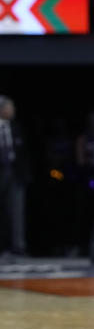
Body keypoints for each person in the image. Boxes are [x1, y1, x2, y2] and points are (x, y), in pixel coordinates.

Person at [0, 96, 28, 256]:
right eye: (11, 107)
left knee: (17, 212)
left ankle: (18, 247)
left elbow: (25, 154)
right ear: (2, 109)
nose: (13, 110)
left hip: (15, 174)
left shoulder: (17, 127)